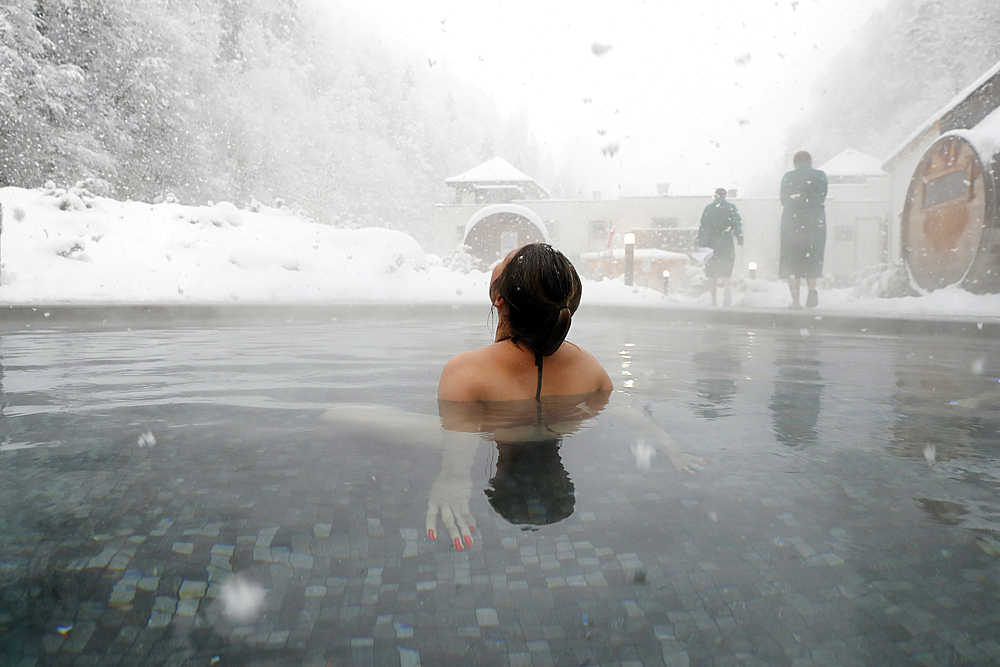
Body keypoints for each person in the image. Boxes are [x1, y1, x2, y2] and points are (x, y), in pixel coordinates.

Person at [779, 151, 828, 309]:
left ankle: (795, 301)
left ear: (794, 163)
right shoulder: (820, 176)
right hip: (815, 224)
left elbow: (784, 200)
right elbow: (821, 196)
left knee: (792, 262)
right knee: (812, 257)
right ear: (810, 161)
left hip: (792, 225)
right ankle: (812, 290)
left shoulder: (788, 177)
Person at [695, 188, 743, 306]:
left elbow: (704, 227)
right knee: (726, 270)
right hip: (726, 242)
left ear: (715, 196)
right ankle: (727, 292)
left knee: (712, 272)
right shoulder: (731, 208)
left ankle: (714, 299)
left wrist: (700, 243)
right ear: (725, 196)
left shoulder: (709, 208)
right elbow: (737, 224)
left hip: (712, 243)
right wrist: (740, 239)